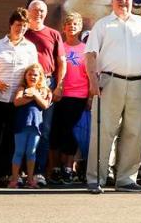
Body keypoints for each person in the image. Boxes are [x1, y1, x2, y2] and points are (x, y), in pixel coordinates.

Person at [84, 0, 141, 194]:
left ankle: (126, 179)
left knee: (134, 132)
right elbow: (90, 54)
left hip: (139, 82)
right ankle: (96, 177)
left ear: (133, 1)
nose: (124, 2)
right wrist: (92, 80)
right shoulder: (103, 25)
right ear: (112, 0)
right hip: (109, 81)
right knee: (104, 131)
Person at [0, 8, 37, 186]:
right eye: (17, 25)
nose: (20, 29)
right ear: (10, 25)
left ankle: (5, 174)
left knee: (10, 139)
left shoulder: (30, 48)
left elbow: (33, 72)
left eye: (24, 26)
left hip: (17, 101)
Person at [24, 0, 66, 186]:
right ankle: (19, 171)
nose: (38, 13)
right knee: (22, 127)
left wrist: (59, 86)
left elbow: (61, 61)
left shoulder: (53, 34)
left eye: (42, 10)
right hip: (24, 83)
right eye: (35, 10)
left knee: (44, 129)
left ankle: (39, 171)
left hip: (48, 82)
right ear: (28, 12)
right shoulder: (22, 32)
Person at [52, 11, 91, 185]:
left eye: (75, 24)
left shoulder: (85, 49)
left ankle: (68, 167)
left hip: (78, 96)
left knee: (71, 132)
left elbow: (91, 75)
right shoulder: (59, 47)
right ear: (63, 28)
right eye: (69, 24)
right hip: (60, 95)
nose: (72, 27)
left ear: (80, 27)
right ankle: (55, 168)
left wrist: (90, 97)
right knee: (57, 131)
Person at [9, 63, 53, 188]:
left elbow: (45, 105)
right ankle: (14, 178)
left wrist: (34, 95)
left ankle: (30, 179)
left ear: (40, 77)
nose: (32, 77)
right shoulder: (22, 89)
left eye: (35, 75)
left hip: (36, 126)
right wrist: (32, 97)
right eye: (30, 74)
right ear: (25, 76)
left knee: (31, 152)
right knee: (19, 151)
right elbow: (17, 102)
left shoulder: (43, 90)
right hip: (22, 124)